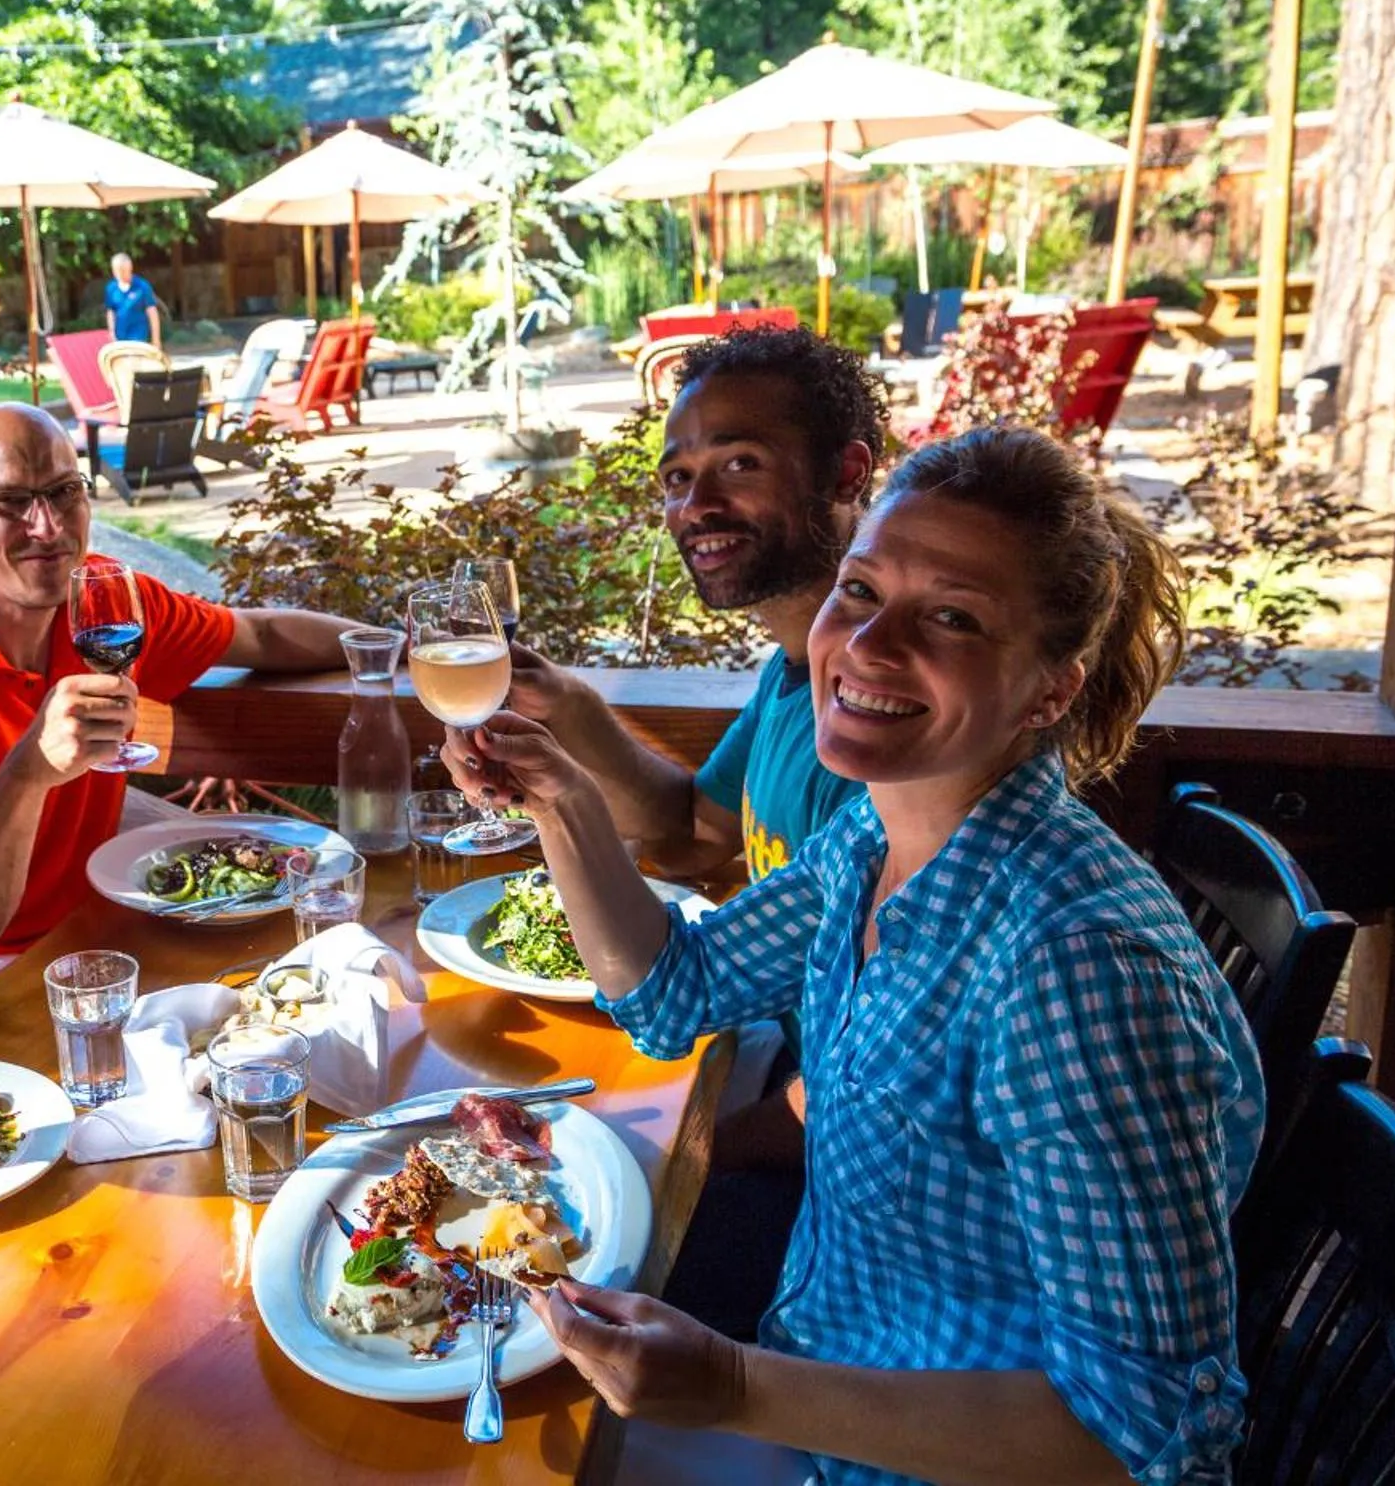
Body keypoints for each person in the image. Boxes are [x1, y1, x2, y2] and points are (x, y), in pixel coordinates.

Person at [460, 428, 1263, 1486]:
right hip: (821, 1355)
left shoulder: (1075, 969)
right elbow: (674, 990)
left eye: (953, 617)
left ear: (1050, 692)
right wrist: (561, 797)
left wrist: (732, 1385)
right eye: (861, 591)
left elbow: (1148, 1435)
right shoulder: (876, 832)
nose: (871, 645)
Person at [0, 403, 357, 993]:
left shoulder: (104, 600)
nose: (47, 526)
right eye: (11, 502)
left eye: (64, 491)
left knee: (311, 977)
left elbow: (256, 636)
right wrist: (28, 773)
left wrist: (394, 648)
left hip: (84, 933)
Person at [455, 325, 882, 885]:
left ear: (846, 474)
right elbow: (694, 836)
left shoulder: (884, 702)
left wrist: (561, 805)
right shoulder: (792, 673)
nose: (696, 505)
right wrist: (567, 708)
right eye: (678, 477)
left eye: (740, 463)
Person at [104, 252, 161, 350]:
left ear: (130, 268)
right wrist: (112, 332)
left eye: (124, 270)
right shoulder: (111, 288)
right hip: (119, 337)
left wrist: (156, 339)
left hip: (138, 337)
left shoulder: (142, 286)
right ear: (114, 271)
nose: (122, 274)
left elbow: (152, 313)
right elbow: (110, 311)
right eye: (119, 271)